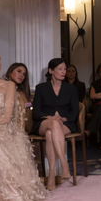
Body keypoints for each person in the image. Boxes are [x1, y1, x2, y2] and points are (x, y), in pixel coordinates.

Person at [0, 54, 49, 201]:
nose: (21, 75)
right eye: (19, 71)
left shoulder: (10, 87)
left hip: (7, 129)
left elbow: (9, 116)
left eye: (24, 73)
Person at [31, 58, 79, 190]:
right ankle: (64, 164)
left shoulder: (71, 89)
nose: (64, 72)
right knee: (52, 124)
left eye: (65, 69)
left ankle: (51, 174)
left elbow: (75, 111)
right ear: (51, 71)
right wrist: (49, 117)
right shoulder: (40, 88)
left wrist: (63, 118)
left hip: (65, 124)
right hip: (43, 122)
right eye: (60, 69)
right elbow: (35, 112)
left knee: (50, 133)